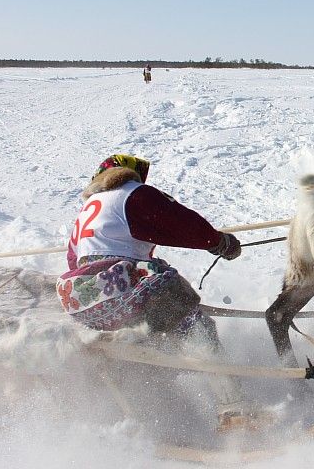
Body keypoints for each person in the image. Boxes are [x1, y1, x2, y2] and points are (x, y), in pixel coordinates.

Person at [56, 154, 266, 431]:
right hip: (123, 290)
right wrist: (220, 243)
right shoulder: (132, 195)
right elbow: (180, 223)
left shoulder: (86, 211)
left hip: (83, 300)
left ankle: (157, 415)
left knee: (152, 337)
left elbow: (75, 261)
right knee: (192, 322)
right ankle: (234, 409)